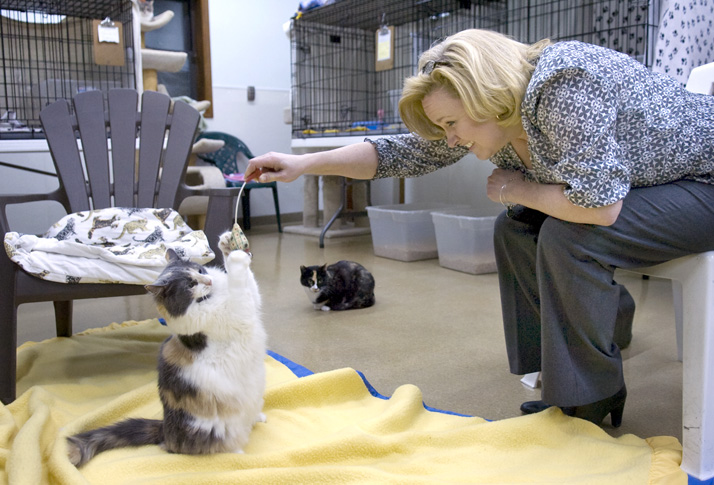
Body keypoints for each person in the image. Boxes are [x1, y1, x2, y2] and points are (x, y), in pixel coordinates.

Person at [246, 28, 714, 427]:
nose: (450, 138)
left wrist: (517, 189)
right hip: (654, 187)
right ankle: (576, 363)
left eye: (452, 123)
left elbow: (600, 210)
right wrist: (301, 165)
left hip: (704, 183)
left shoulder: (563, 83)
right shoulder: (505, 118)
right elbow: (400, 153)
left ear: (484, 93)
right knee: (514, 230)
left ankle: (588, 394)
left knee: (571, 233)